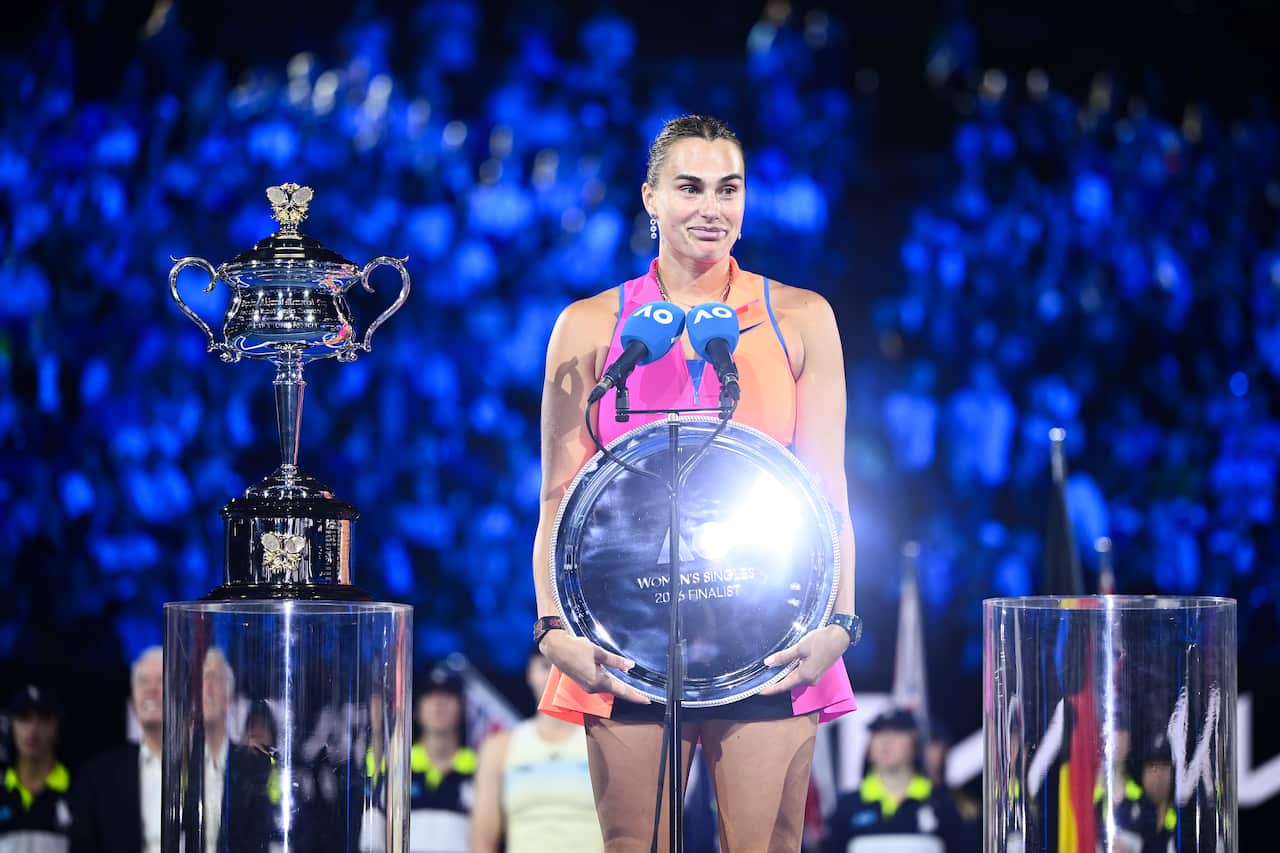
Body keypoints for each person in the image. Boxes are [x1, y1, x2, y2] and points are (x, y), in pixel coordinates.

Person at [532, 113, 857, 852]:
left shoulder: (801, 318)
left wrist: (839, 622)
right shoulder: (591, 324)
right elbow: (557, 498)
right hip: (625, 640)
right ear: (649, 197)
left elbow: (827, 492)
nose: (712, 207)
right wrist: (556, 627)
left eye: (728, 188)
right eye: (689, 187)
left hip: (774, 638)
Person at [470, 648, 601, 853]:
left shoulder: (601, 744)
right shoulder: (499, 748)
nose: (555, 676)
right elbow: (483, 839)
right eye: (545, 666)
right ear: (529, 674)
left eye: (564, 668)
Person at [823, 709, 968, 853]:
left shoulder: (941, 805)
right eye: (878, 734)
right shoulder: (847, 807)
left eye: (897, 733)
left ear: (915, 743)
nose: (886, 742)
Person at [69, 646, 163, 853]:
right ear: (132, 698)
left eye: (161, 681)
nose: (150, 689)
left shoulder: (205, 769)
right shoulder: (97, 778)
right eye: (143, 682)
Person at [180, 647, 274, 853]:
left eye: (215, 678)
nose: (208, 687)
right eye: (202, 679)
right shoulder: (179, 764)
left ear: (230, 696)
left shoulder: (252, 767)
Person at [407, 664, 477, 853]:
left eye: (448, 695)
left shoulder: (482, 771)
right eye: (429, 695)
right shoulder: (395, 769)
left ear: (462, 708)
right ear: (415, 708)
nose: (438, 703)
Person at [0, 686, 73, 852]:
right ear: (11, 725)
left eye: (44, 718)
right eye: (23, 717)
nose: (33, 729)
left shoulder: (81, 792)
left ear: (57, 726)